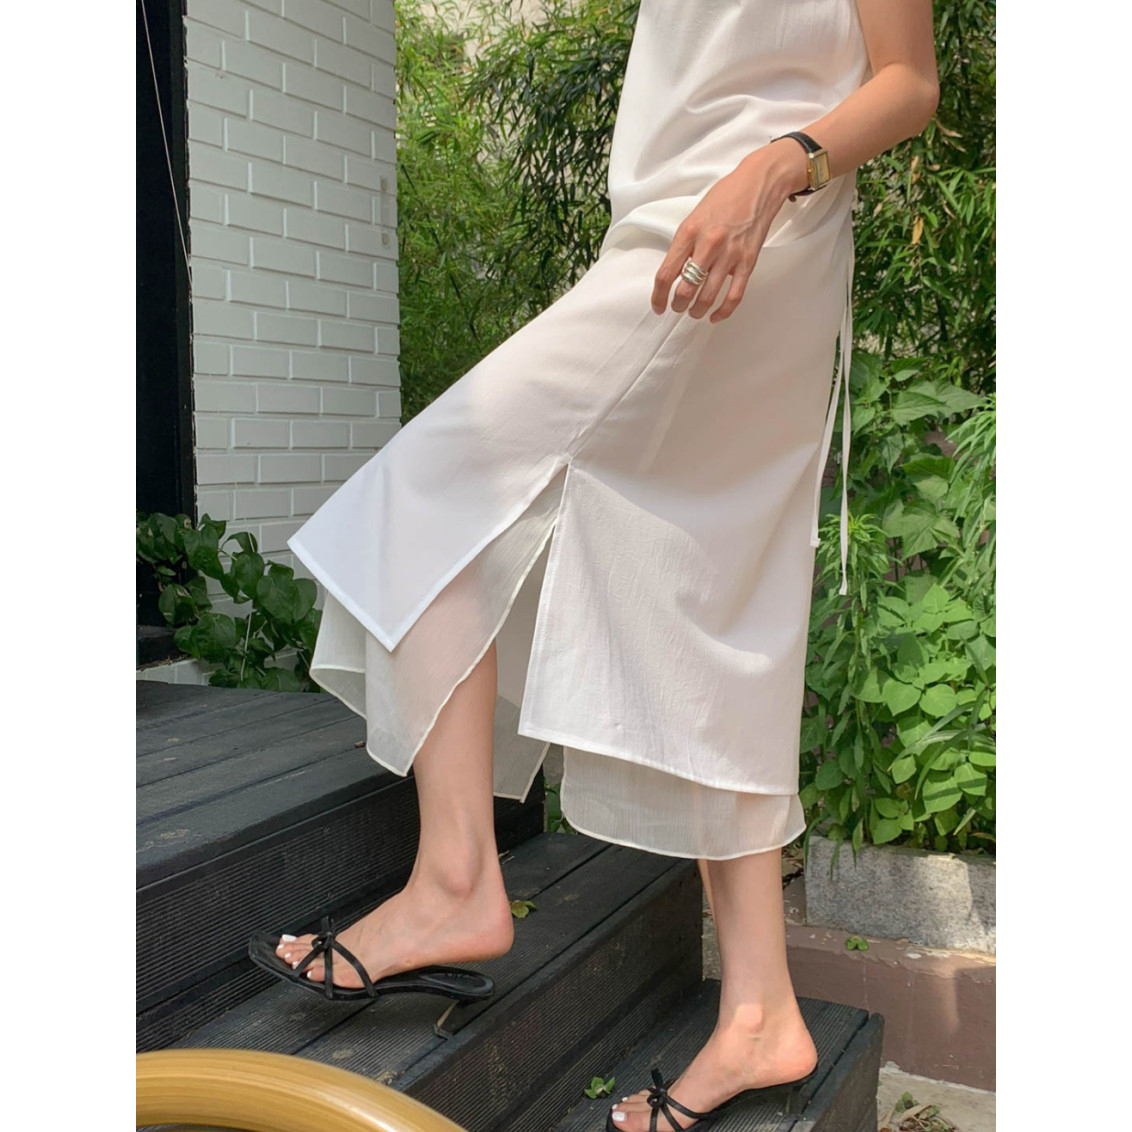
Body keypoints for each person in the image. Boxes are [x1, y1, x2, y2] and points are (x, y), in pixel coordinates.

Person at [255, 1, 939, 1127]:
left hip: (749, 227)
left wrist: (776, 168)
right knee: (699, 593)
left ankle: (456, 877)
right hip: (679, 231)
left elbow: (907, 80)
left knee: (426, 493)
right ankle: (760, 1007)